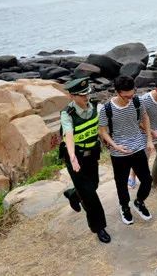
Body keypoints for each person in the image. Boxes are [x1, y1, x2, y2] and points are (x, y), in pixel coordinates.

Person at [98, 76, 155, 225]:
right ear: (117, 92)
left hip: (138, 147)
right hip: (118, 153)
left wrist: (149, 139)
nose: (130, 99)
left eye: (132, 94)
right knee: (121, 183)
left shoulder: (137, 101)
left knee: (147, 180)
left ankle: (139, 202)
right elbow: (102, 131)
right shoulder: (107, 109)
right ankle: (124, 207)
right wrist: (115, 146)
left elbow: (145, 117)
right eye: (126, 96)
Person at [60, 77, 111, 243]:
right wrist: (73, 157)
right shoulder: (67, 114)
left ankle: (74, 195)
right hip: (76, 156)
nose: (85, 97)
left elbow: (109, 118)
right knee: (90, 195)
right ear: (72, 97)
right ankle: (99, 227)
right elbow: (68, 135)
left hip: (92, 153)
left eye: (87, 93)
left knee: (93, 185)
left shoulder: (96, 106)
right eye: (81, 95)